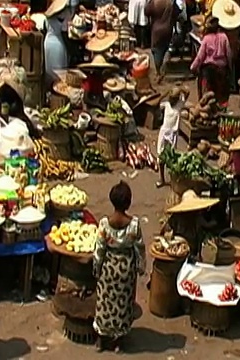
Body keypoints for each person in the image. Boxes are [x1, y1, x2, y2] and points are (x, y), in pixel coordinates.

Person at [93, 181, 145, 353]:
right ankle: (118, 342)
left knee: (104, 302)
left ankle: (101, 340)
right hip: (126, 268)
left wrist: (97, 268)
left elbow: (99, 249)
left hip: (109, 267)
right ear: (128, 202)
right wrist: (140, 266)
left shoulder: (104, 225)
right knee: (123, 304)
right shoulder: (134, 225)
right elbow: (139, 247)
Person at [190, 16, 232, 108]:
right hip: (222, 69)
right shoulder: (224, 37)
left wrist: (193, 67)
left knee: (207, 95)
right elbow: (228, 53)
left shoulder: (206, 39)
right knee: (221, 94)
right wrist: (229, 66)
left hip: (208, 70)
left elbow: (200, 57)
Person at [165, 190, 220, 256]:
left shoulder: (176, 215)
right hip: (189, 243)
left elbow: (169, 225)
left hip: (179, 241)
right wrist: (215, 222)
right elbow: (206, 224)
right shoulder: (196, 215)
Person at [156, 86, 189, 187]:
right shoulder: (166, 104)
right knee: (161, 155)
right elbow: (157, 103)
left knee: (172, 156)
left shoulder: (179, 104)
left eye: (173, 99)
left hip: (173, 133)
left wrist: (180, 87)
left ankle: (173, 179)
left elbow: (187, 92)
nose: (171, 101)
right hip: (164, 132)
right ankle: (162, 179)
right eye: (170, 98)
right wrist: (166, 93)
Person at [145, 0, 178, 83]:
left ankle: (158, 71)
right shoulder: (170, 2)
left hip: (157, 30)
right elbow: (177, 13)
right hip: (168, 29)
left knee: (156, 50)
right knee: (163, 48)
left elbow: (146, 11)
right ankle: (161, 67)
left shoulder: (155, 2)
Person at [44, 0, 70, 88]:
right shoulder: (61, 16)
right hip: (55, 44)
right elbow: (65, 27)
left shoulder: (54, 17)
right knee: (57, 73)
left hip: (51, 40)